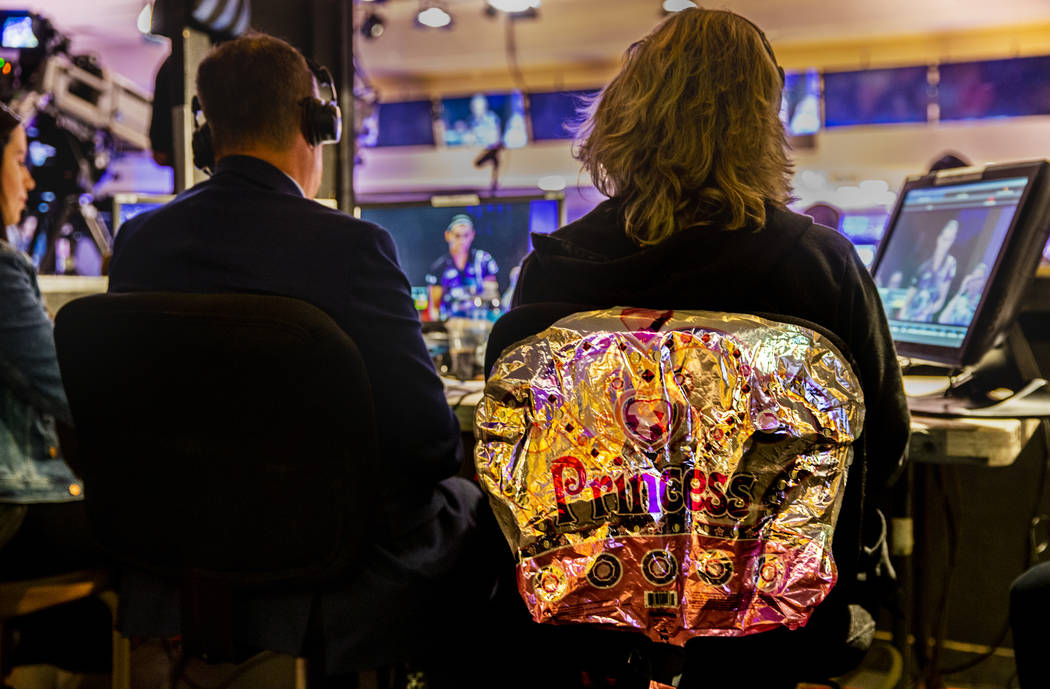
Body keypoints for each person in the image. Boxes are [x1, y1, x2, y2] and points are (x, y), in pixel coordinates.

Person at [510, 8, 909, 688]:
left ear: (628, 111)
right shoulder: (821, 267)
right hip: (775, 619)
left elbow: (521, 464)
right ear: (762, 124)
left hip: (596, 611)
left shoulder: (553, 269)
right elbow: (885, 449)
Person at [108, 34, 505, 684]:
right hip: (332, 563)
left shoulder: (138, 244)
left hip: (183, 557)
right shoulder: (354, 249)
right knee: (472, 504)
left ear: (206, 140)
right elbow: (430, 444)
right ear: (315, 125)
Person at [0, 102, 110, 674]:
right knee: (155, 524)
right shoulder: (0, 269)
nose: (28, 179)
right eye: (18, 160)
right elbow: (72, 394)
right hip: (10, 513)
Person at [425, 214, 499, 321]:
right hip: (451, 325)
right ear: (448, 235)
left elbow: (492, 297)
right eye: (457, 236)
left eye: (466, 235)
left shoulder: (483, 260)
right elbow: (435, 308)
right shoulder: (438, 268)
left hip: (479, 322)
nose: (462, 241)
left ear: (472, 235)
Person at [898, 219, 959, 322]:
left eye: (949, 240)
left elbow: (941, 299)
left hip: (925, 318)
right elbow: (913, 289)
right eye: (944, 238)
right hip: (909, 315)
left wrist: (927, 311)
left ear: (953, 241)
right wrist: (903, 310)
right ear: (939, 238)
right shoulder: (924, 263)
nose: (945, 243)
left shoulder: (950, 264)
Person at [938, 261, 987, 326]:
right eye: (973, 278)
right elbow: (942, 320)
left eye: (978, 279)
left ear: (983, 282)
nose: (974, 283)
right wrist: (961, 291)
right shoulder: (960, 299)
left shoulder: (982, 302)